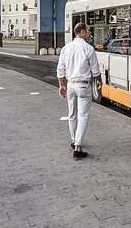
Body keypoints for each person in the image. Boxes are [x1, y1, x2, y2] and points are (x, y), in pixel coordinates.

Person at [56, 22, 102, 159]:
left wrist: (61, 85)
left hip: (70, 85)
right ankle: (78, 147)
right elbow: (95, 71)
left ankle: (73, 140)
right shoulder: (88, 49)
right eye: (88, 31)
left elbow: (60, 70)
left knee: (72, 114)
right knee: (83, 116)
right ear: (81, 32)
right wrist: (99, 85)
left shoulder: (66, 48)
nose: (89, 33)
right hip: (83, 86)